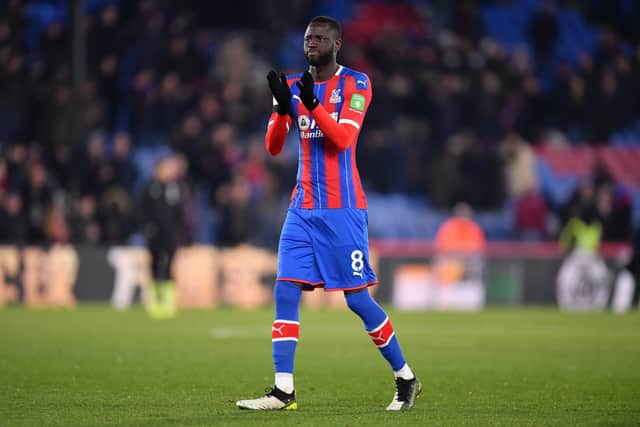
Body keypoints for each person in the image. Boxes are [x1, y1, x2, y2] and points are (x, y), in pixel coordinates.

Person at [236, 16, 420, 412]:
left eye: (320, 38)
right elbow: (272, 146)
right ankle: (283, 390)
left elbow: (343, 139)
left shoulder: (357, 84)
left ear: (337, 44)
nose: (312, 43)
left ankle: (405, 377)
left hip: (343, 208)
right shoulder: (290, 85)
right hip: (302, 207)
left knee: (357, 300)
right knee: (285, 289)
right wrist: (284, 108)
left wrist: (312, 104)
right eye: (307, 37)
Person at [139, 154, 190, 319]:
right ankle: (154, 301)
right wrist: (146, 227)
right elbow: (142, 210)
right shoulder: (149, 188)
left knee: (169, 266)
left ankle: (169, 302)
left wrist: (182, 232)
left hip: (170, 235)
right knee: (154, 265)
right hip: (154, 234)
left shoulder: (175, 188)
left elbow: (179, 212)